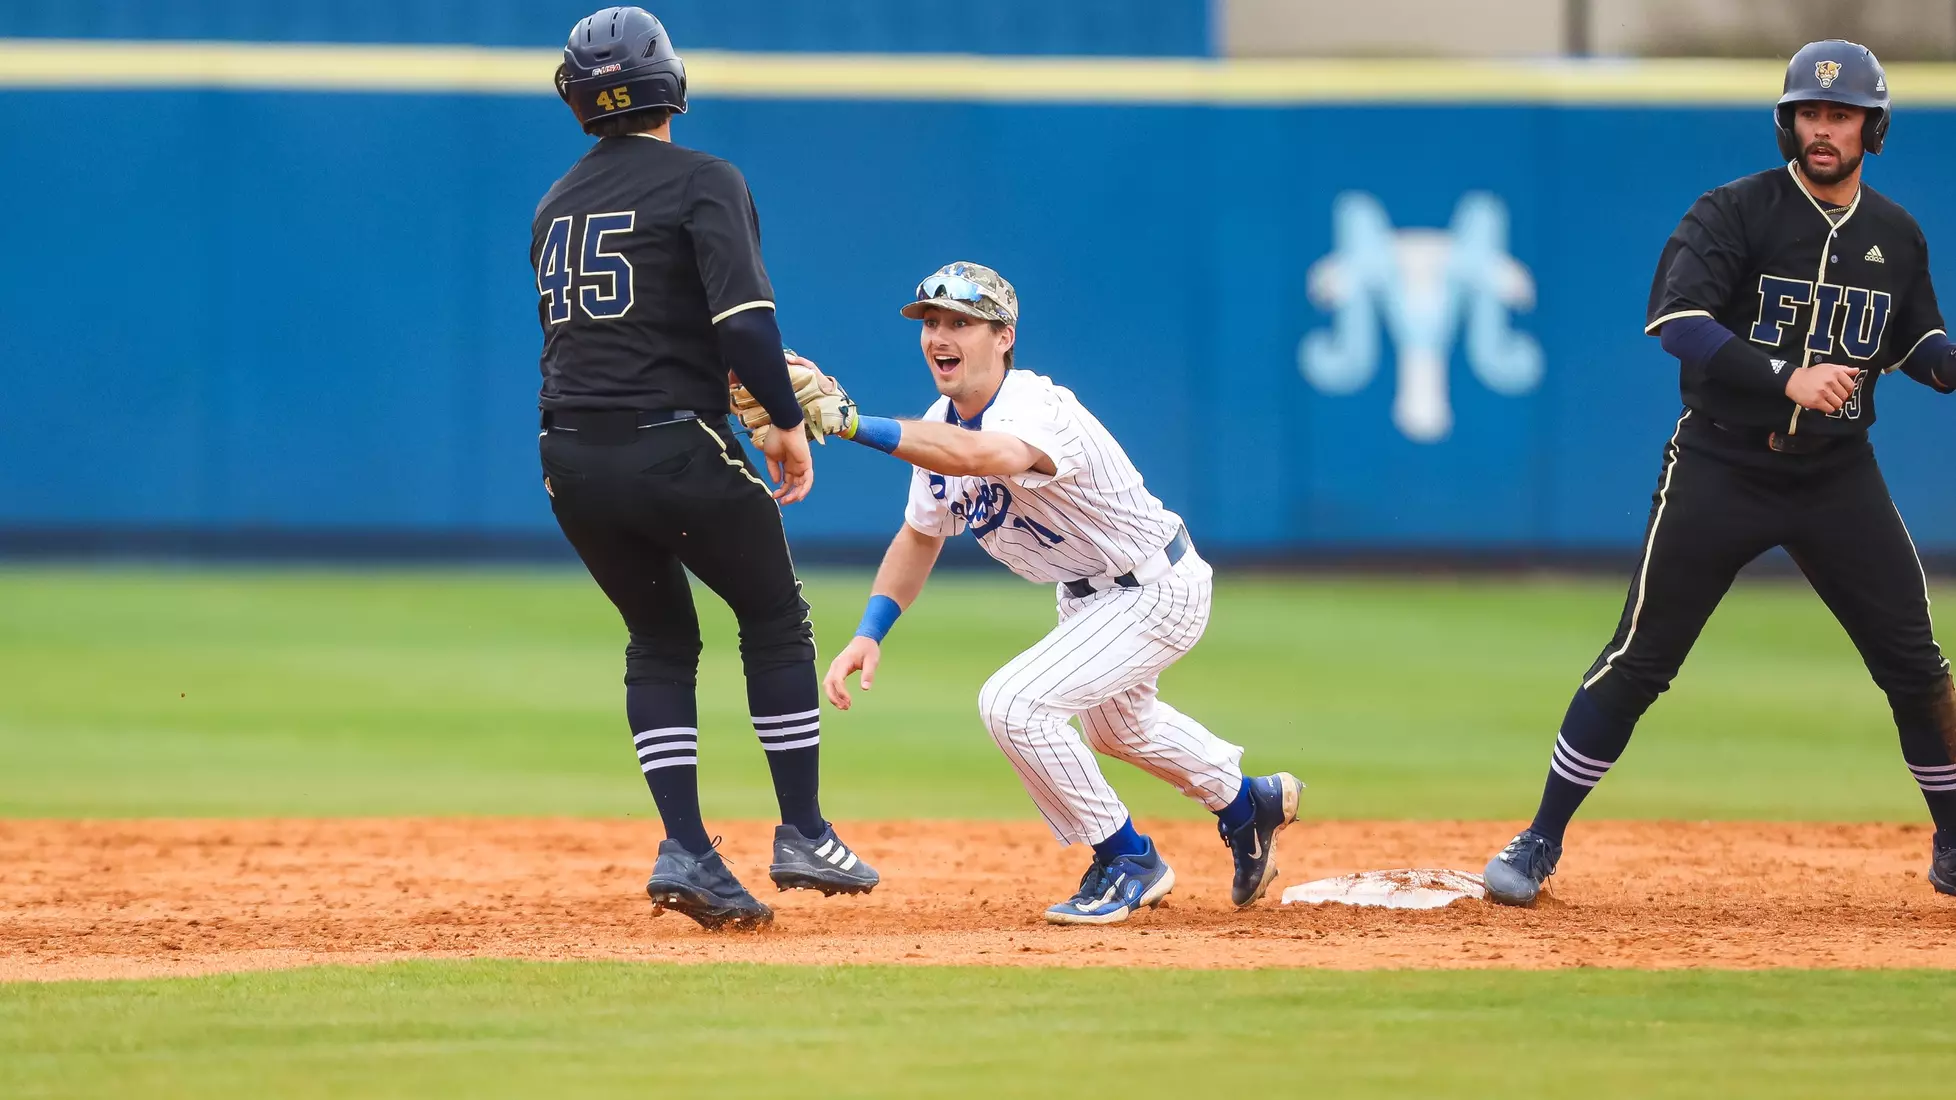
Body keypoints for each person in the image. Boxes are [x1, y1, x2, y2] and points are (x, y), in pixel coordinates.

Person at [1482, 40, 1956, 906]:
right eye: (1809, 113)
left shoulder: (1896, 234)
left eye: (1840, 114)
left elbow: (1922, 343)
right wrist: (1787, 378)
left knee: (1917, 666)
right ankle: (1540, 837)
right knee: (1640, 658)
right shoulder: (1734, 211)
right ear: (1787, 121)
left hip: (1837, 474)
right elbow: (1681, 321)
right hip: (1722, 461)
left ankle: (1955, 842)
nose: (1822, 129)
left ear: (1872, 129)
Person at [749, 262, 1302, 925]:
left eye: (960, 322)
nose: (938, 336)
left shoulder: (1035, 406)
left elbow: (982, 457)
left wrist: (852, 424)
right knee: (1121, 729)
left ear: (1004, 336)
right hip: (1088, 596)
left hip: (1155, 585)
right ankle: (1249, 806)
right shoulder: (938, 421)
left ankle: (1128, 858)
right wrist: (871, 631)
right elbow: (921, 537)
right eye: (930, 322)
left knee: (1015, 704)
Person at [532, 6, 877, 930]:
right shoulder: (704, 179)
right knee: (771, 614)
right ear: (670, 82)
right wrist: (783, 424)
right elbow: (742, 326)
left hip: (567, 455)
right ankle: (802, 830)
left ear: (576, 96)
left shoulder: (554, 202)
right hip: (671, 442)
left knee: (659, 638)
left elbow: (612, 338)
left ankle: (687, 847)